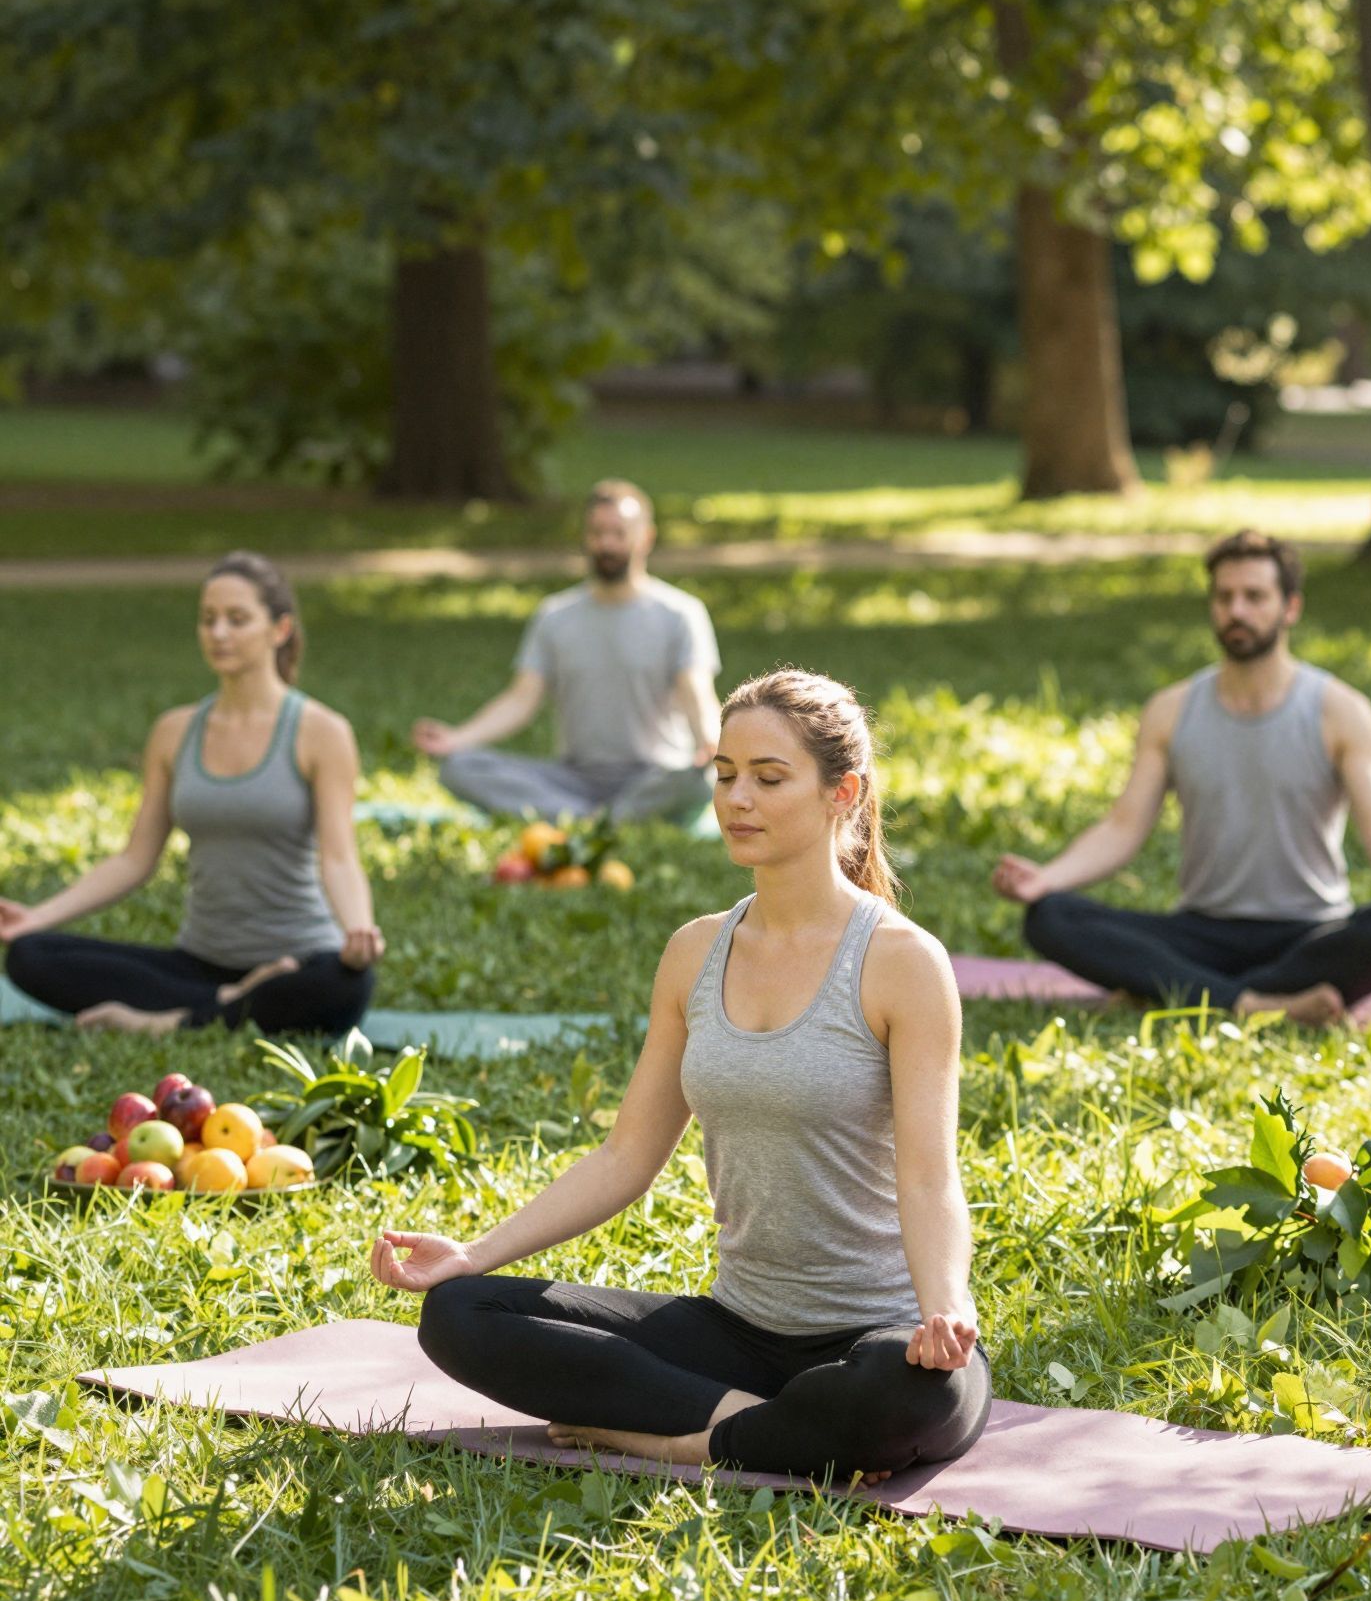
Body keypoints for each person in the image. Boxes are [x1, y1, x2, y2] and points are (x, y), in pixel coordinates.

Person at [372, 668, 991, 1482]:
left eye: (769, 779)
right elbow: (626, 1157)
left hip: (876, 1338)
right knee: (459, 1315)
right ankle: (759, 1429)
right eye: (725, 774)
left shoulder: (902, 963)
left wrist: (946, 1306)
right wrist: (475, 1254)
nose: (737, 799)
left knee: (909, 1399)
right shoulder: (695, 952)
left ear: (843, 792)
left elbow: (929, 1176)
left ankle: (677, 1436)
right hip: (734, 1334)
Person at [994, 529, 1371, 1025]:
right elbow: (1122, 827)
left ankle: (1182, 991)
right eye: (1224, 597)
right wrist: (1047, 879)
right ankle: (1257, 1004)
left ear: (1290, 608)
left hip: (1310, 934)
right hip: (1202, 934)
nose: (1236, 610)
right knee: (1049, 917)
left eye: (1255, 596)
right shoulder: (1170, 711)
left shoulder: (1340, 711)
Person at [1, 552, 384, 1036]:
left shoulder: (321, 732)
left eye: (237, 619)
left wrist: (358, 931)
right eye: (208, 619)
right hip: (199, 962)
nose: (218, 633)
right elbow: (135, 860)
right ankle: (228, 1003)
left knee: (346, 985)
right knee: (30, 956)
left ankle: (163, 1022)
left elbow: (340, 857)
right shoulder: (174, 731)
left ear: (280, 629)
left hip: (299, 960)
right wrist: (36, 916)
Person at [412, 479, 721, 824]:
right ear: (585, 537)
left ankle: (586, 819)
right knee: (459, 767)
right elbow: (521, 700)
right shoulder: (554, 616)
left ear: (645, 538)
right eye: (597, 532)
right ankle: (604, 818)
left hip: (654, 777)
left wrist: (709, 741)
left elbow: (697, 692)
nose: (606, 543)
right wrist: (457, 738)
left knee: (701, 781)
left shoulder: (681, 613)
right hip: (571, 780)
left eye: (619, 533)